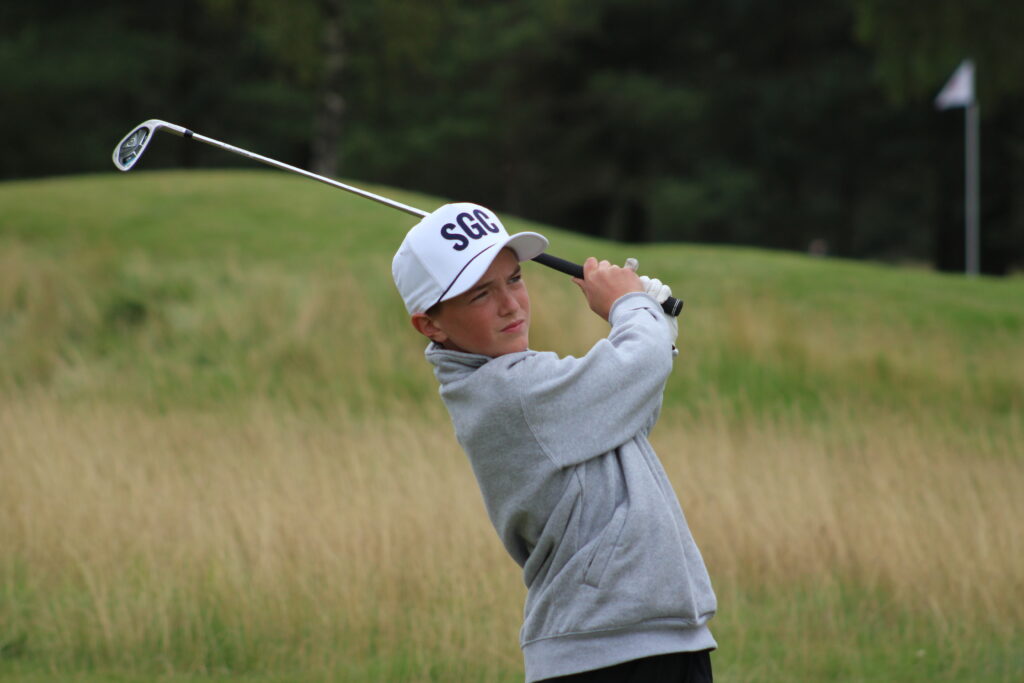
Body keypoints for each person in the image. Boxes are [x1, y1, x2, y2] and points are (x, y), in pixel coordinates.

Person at [392, 202, 717, 683]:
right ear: (431, 324)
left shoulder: (515, 381)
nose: (511, 304)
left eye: (515, 279)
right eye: (481, 294)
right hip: (607, 654)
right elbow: (636, 370)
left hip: (642, 642)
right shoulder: (508, 393)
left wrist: (656, 332)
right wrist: (631, 308)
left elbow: (628, 412)